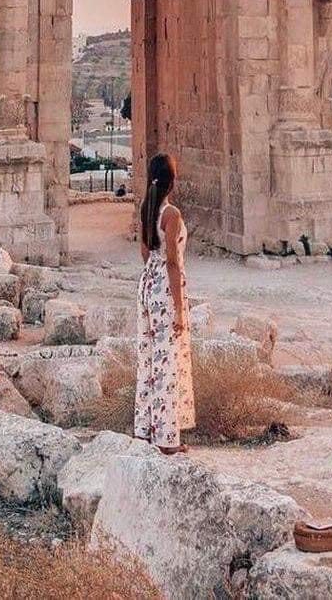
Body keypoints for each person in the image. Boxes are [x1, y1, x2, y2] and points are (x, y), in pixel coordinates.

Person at [134, 152, 195, 453]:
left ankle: (145, 431)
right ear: (172, 181)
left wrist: (152, 273)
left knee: (149, 358)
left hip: (146, 284)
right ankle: (167, 440)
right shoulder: (172, 216)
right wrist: (180, 309)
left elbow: (145, 253)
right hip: (164, 289)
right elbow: (173, 262)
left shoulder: (146, 208)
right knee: (167, 363)